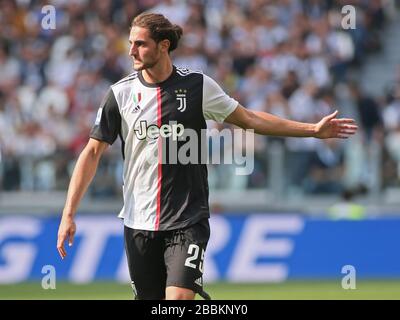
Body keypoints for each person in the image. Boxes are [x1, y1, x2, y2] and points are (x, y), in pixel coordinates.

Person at [57, 12, 358, 300]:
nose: (131, 51)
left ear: (163, 46)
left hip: (188, 218)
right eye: (131, 43)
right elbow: (92, 152)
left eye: (140, 43)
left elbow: (249, 119)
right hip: (138, 221)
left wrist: (311, 129)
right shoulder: (120, 94)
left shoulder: (198, 86)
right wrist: (69, 213)